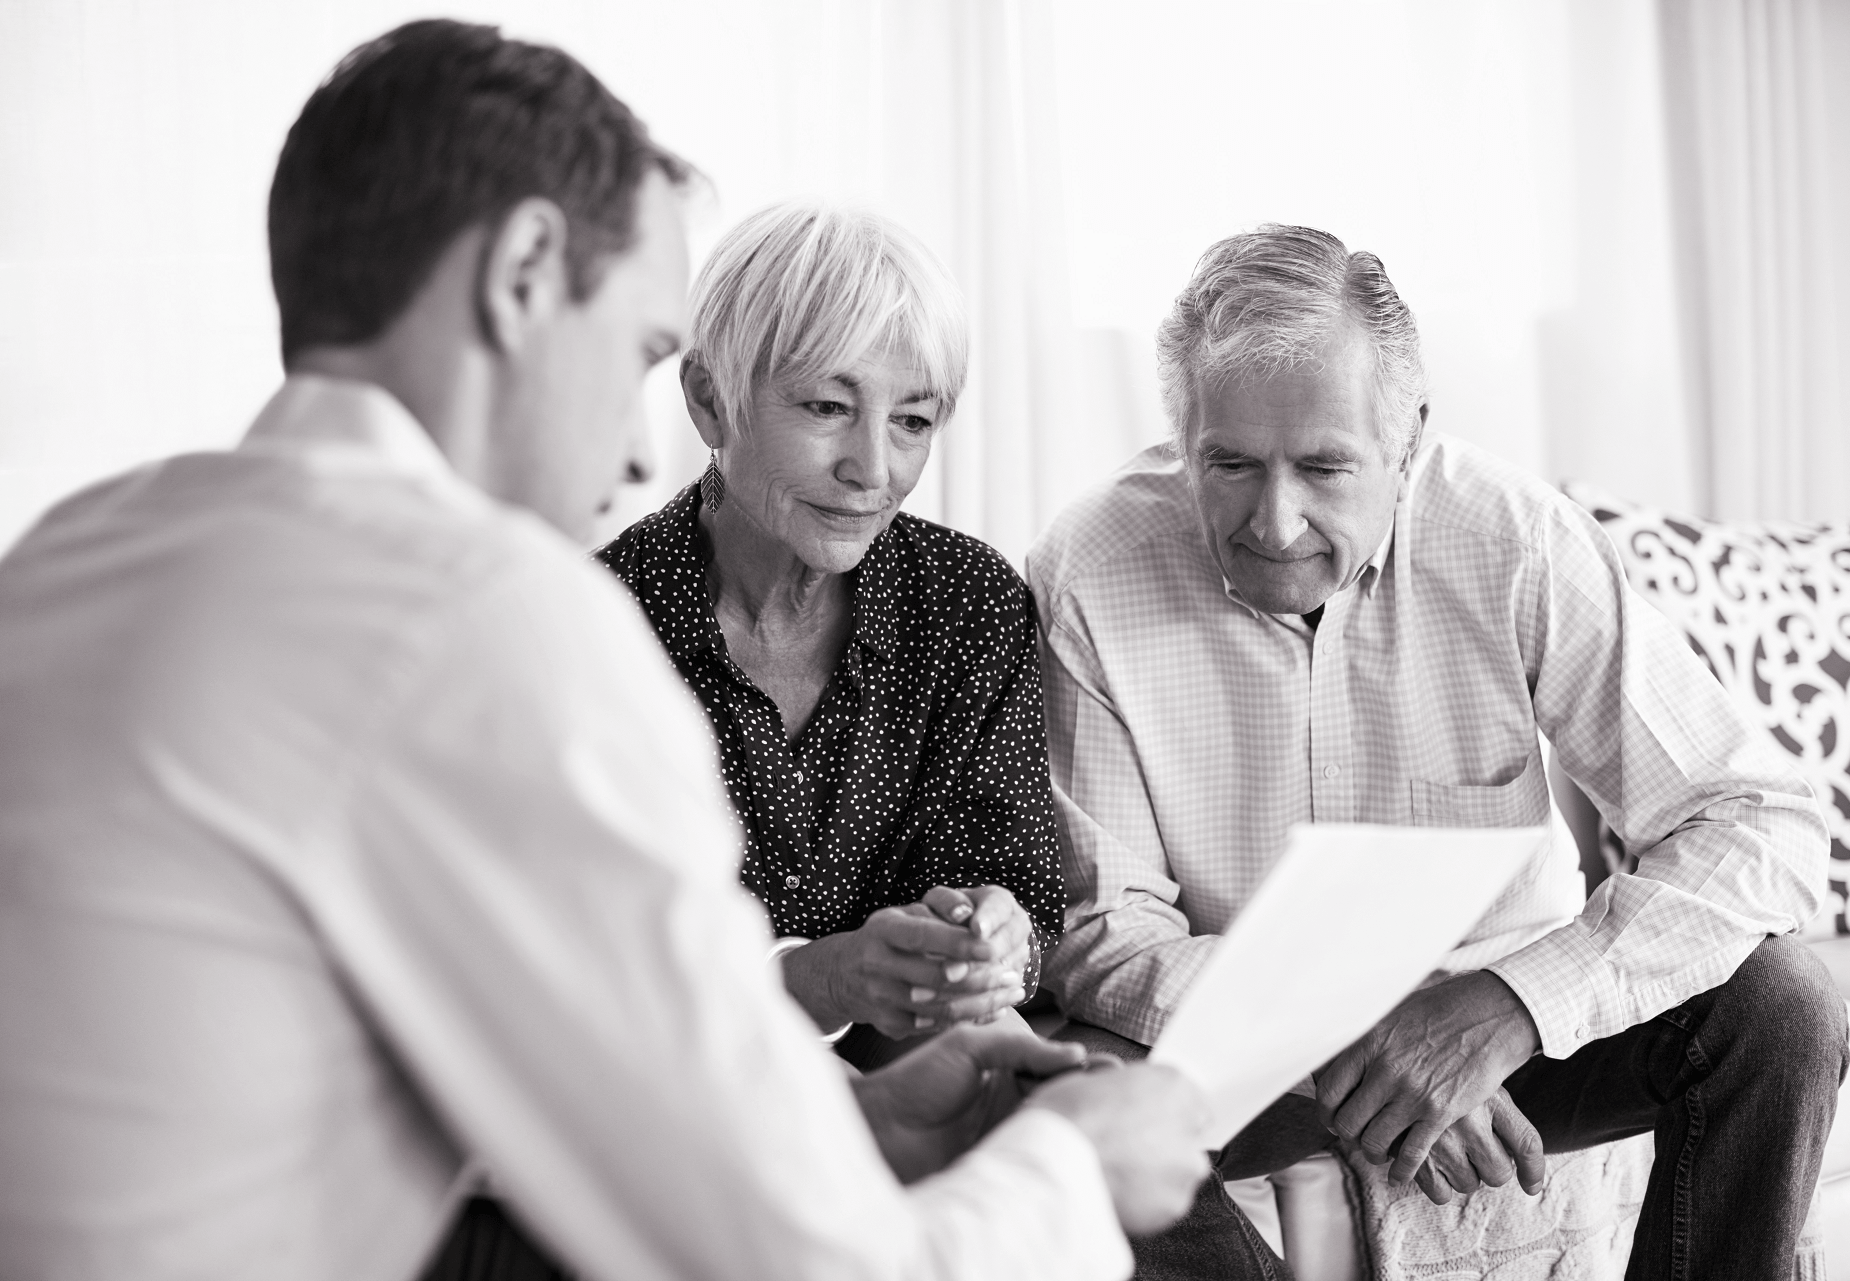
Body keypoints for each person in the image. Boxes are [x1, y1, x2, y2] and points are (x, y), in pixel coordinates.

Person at [0, 21, 1211, 1281]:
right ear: (524, 271)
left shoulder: (65, 559)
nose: (641, 458)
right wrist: (1077, 1162)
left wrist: (851, 1122)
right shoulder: (485, 612)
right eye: (639, 351)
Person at [1029, 224, 1849, 1279]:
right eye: (1229, 464)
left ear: (1408, 438)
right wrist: (1353, 1041)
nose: (1275, 522)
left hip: (1502, 1017)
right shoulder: (1090, 570)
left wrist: (1509, 1010)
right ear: (1179, 433)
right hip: (1242, 1044)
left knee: (1778, 1007)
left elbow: (1756, 819)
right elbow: (1110, 938)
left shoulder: (1511, 539)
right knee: (1065, 1105)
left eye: (1325, 467)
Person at [595, 203, 1059, 1068]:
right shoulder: (595, 626)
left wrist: (992, 935)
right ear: (708, 399)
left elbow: (1018, 887)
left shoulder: (969, 600)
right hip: (683, 1099)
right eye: (825, 406)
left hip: (932, 1065)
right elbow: (599, 972)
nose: (872, 469)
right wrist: (823, 977)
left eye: (912, 421)